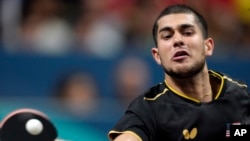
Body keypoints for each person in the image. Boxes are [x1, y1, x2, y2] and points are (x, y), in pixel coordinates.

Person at [108, 4, 250, 141]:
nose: (177, 40)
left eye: (187, 32)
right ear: (157, 56)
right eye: (167, 36)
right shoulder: (148, 110)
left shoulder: (240, 96)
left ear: (208, 46)